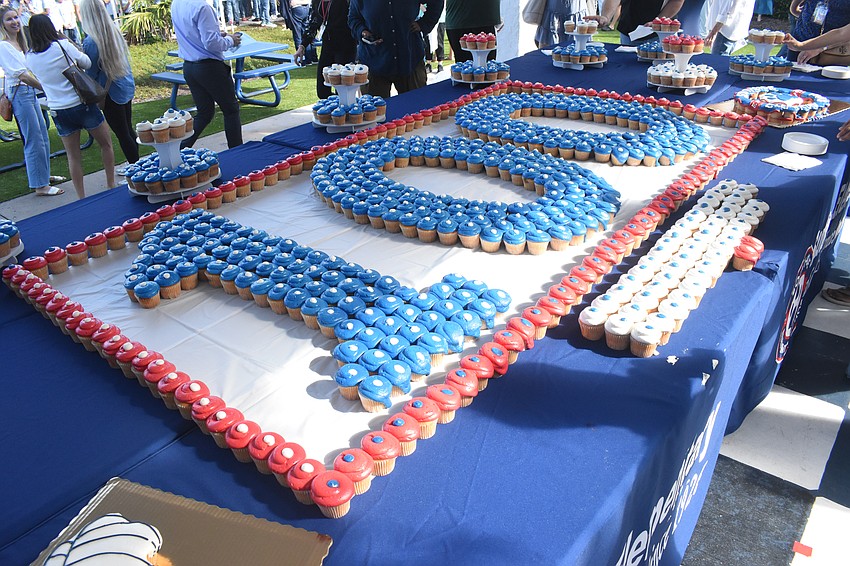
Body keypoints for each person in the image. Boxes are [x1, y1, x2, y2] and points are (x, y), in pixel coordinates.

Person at [25, 14, 114, 198]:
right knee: (106, 144)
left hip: (58, 109)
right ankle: (110, 184)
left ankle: (81, 196)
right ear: (50, 28)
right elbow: (86, 62)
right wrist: (69, 43)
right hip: (81, 104)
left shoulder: (30, 57)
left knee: (73, 156)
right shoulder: (61, 46)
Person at [0, 6, 63, 196]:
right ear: (2, 25)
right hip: (21, 93)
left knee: (42, 135)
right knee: (33, 138)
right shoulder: (4, 45)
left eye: (16, 17)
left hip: (29, 92)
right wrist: (46, 87)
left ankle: (43, 176)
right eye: (9, 19)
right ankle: (40, 185)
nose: (15, 22)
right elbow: (21, 75)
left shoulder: (21, 42)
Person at [171, 0, 243, 149]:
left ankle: (180, 149)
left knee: (204, 112)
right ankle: (237, 151)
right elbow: (211, 44)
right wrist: (230, 40)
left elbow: (195, 34)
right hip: (209, 67)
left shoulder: (177, 3)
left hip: (190, 66)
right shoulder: (202, 7)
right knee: (230, 110)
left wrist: (218, 36)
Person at [79, 0, 137, 171]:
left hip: (110, 92)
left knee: (123, 133)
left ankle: (136, 169)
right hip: (123, 86)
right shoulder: (114, 31)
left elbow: (91, 72)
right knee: (127, 130)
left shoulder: (91, 41)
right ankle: (136, 164)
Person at [349, 0, 443, 98]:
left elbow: (436, 3)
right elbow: (353, 18)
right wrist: (363, 32)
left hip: (410, 58)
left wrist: (424, 23)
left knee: (417, 108)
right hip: (374, 61)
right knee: (374, 111)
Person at [293, 0, 356, 99]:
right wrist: (302, 46)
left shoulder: (346, 2)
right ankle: (332, 109)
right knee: (322, 90)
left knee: (343, 89)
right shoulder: (318, 1)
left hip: (346, 45)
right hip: (328, 45)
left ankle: (343, 111)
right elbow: (314, 22)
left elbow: (355, 20)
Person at [588, 0, 683, 46]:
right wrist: (606, 17)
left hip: (661, 33)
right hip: (629, 30)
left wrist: (658, 21)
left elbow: (677, 1)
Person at [787, 0, 850, 65]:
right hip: (799, 39)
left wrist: (820, 48)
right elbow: (793, 9)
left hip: (830, 52)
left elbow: (843, 34)